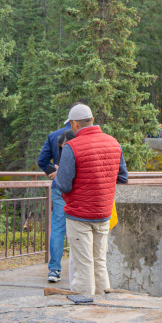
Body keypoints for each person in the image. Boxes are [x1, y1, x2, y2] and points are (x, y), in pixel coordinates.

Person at [53, 103, 129, 295]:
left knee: (83, 264)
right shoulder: (113, 142)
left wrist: (59, 175)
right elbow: (122, 177)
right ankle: (104, 304)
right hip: (103, 212)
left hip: (79, 214)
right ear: (92, 120)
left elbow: (63, 184)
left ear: (74, 124)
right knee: (99, 261)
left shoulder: (72, 146)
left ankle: (84, 309)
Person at [37, 106, 82, 284]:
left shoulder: (54, 135)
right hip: (79, 186)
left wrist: (54, 172)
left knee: (57, 226)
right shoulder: (83, 135)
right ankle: (80, 269)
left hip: (59, 187)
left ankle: (54, 270)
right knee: (81, 225)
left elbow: (42, 161)